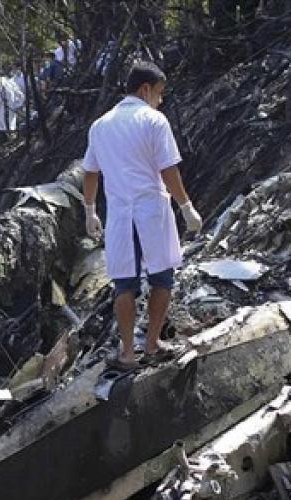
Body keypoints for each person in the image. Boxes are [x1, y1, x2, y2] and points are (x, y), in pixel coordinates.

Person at [82, 62, 203, 369]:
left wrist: (90, 210)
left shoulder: (100, 125)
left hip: (120, 215)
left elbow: (90, 172)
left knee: (125, 284)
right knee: (162, 278)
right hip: (151, 211)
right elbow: (168, 169)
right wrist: (186, 207)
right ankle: (150, 344)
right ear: (145, 89)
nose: (160, 100)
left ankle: (126, 351)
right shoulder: (153, 121)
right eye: (159, 93)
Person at [0, 70, 24, 139]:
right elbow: (20, 95)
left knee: (3, 126)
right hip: (12, 108)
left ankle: (9, 140)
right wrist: (18, 105)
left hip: (1, 109)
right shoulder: (10, 82)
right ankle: (13, 139)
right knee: (12, 124)